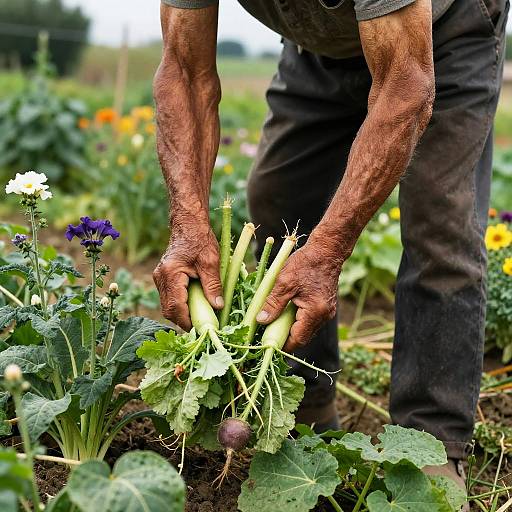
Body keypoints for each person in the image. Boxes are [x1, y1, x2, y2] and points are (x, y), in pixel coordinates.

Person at [151, 0, 508, 497]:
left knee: (440, 228)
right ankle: (303, 406)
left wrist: (328, 252)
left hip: (445, 30)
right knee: (279, 197)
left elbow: (406, 86)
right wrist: (187, 222)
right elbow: (185, 72)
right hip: (322, 41)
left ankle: (433, 445)